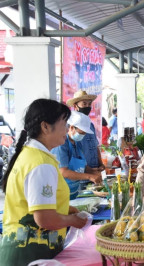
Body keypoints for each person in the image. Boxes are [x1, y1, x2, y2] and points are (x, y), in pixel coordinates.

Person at [0, 99, 87, 265]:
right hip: (29, 254)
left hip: (21, 252)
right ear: (45, 126)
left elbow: (31, 202)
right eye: (64, 124)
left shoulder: (30, 155)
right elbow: (45, 219)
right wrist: (74, 221)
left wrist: (64, 209)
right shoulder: (41, 164)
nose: (67, 130)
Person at [52, 111, 102, 200]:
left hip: (73, 191)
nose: (83, 136)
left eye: (84, 134)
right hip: (60, 194)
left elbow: (81, 164)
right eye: (81, 133)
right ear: (71, 128)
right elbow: (63, 172)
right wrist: (90, 176)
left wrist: (93, 171)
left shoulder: (77, 142)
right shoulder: (62, 144)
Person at [66, 90, 105, 172]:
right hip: (80, 173)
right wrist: (88, 170)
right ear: (75, 106)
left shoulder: (91, 125)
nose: (87, 106)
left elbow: (95, 146)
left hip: (95, 171)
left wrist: (100, 164)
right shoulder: (70, 126)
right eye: (84, 104)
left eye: (89, 104)